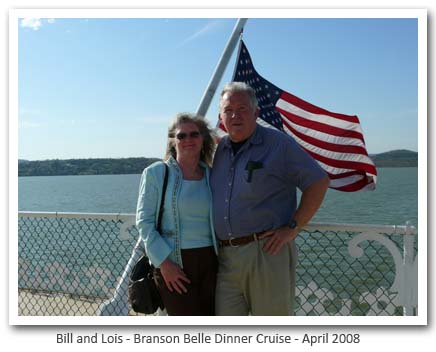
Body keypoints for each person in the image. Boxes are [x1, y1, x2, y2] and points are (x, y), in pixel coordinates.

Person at [210, 82, 330, 316]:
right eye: (228, 110)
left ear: (256, 113)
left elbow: (318, 182)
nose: (235, 115)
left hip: (266, 252)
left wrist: (293, 227)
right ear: (220, 116)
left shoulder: (278, 144)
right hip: (224, 257)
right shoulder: (218, 150)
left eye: (243, 108)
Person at [135, 113, 218, 316]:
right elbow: (144, 222)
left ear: (203, 138)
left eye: (194, 134)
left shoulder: (212, 174)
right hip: (174, 262)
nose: (188, 140)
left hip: (211, 262)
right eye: (181, 136)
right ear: (173, 141)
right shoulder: (156, 173)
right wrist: (164, 264)